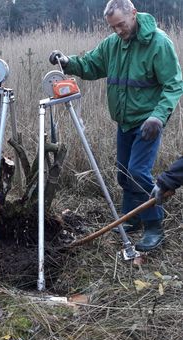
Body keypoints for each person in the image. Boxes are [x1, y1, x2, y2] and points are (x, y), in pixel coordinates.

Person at [50, 0, 183, 252]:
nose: (118, 31)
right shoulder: (113, 44)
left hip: (148, 123)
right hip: (124, 122)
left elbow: (174, 84)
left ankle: (154, 228)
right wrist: (67, 62)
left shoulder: (158, 43)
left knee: (137, 171)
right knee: (123, 173)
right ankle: (131, 220)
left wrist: (158, 116)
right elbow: (91, 64)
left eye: (121, 24)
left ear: (133, 14)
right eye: (113, 27)